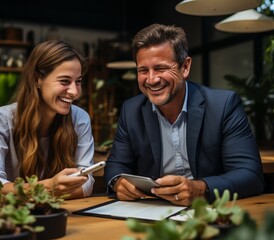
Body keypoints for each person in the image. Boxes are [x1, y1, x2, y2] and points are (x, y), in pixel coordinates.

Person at [104, 23, 265, 206]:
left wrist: (200, 189)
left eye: (161, 68)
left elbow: (250, 174)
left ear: (185, 67)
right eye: (143, 70)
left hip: (211, 212)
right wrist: (118, 183)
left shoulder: (223, 106)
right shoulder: (130, 110)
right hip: (152, 213)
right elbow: (115, 166)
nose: (151, 79)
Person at [0, 40, 95, 199]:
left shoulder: (79, 118)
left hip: (60, 213)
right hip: (13, 216)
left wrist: (34, 192)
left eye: (78, 81)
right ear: (36, 79)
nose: (74, 92)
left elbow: (86, 184)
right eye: (64, 81)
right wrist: (49, 186)